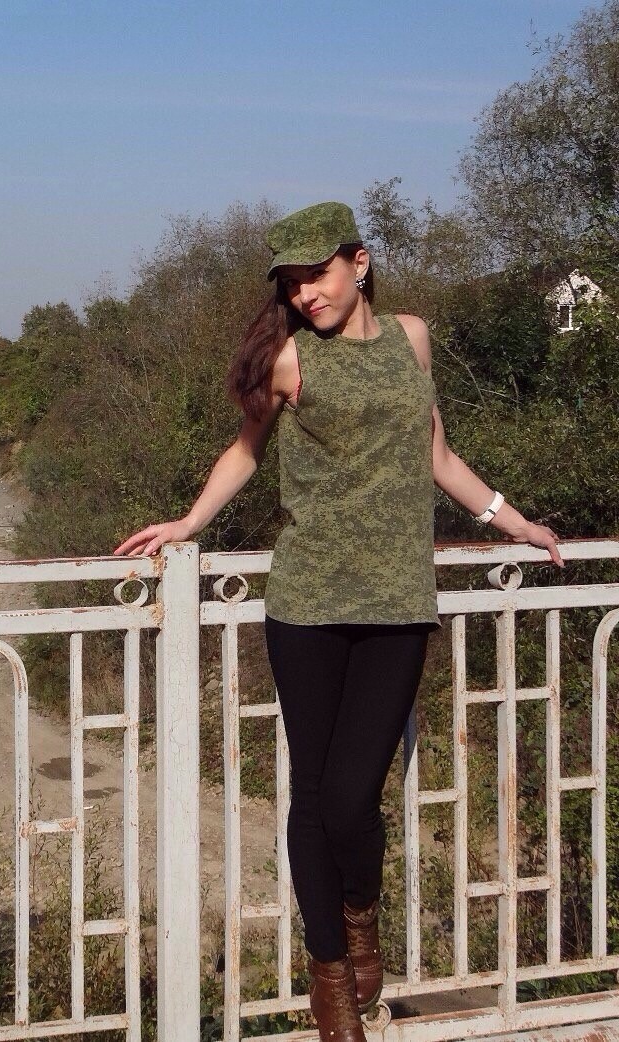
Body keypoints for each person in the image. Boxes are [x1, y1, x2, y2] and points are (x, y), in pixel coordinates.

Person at [112, 201, 564, 1042]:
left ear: (360, 261)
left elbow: (438, 457)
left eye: (315, 275)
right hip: (309, 602)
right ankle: (330, 977)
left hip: (398, 599)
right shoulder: (290, 359)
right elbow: (246, 451)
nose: (305, 294)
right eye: (291, 283)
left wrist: (515, 522)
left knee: (355, 796)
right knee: (316, 795)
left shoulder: (412, 338)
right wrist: (188, 523)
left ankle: (360, 912)